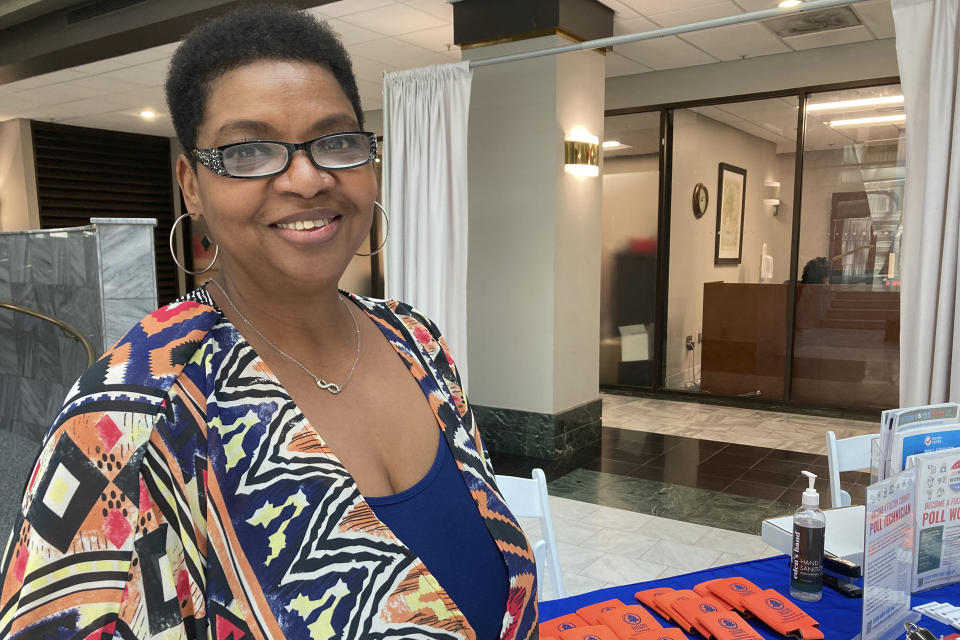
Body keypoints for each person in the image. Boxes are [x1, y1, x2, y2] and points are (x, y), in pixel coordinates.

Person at [0, 6, 537, 639]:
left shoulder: (416, 341)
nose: (307, 179)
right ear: (191, 186)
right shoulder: (132, 414)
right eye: (249, 150)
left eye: (336, 141)